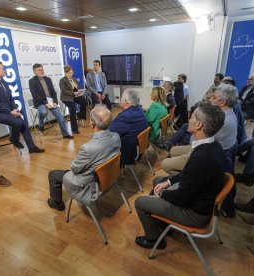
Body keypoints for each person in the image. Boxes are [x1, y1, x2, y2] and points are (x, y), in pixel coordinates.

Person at [134, 102, 226, 249]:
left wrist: (161, 194)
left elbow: (181, 198)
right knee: (160, 179)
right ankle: (162, 221)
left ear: (199, 125)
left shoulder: (202, 158)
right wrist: (168, 184)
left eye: (192, 117)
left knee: (140, 202)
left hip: (195, 214)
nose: (189, 120)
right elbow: (187, 174)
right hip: (199, 202)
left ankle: (154, 240)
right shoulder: (212, 145)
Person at [47, 106, 120, 211]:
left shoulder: (88, 148)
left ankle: (57, 203)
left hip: (90, 185)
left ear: (92, 124)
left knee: (53, 174)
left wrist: (75, 161)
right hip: (109, 178)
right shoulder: (116, 136)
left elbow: (75, 169)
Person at [0, 61, 44, 154]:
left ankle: (31, 147)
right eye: (3, 68)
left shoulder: (3, 81)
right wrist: (10, 112)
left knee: (23, 123)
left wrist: (14, 108)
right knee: (18, 122)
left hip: (7, 110)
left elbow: (11, 98)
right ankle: (14, 139)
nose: (5, 70)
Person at [28, 63, 73, 139]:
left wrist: (55, 102)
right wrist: (46, 104)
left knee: (60, 116)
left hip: (51, 101)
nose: (42, 71)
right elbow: (35, 95)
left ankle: (65, 134)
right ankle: (41, 124)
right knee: (43, 112)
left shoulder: (48, 79)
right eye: (39, 70)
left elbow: (53, 92)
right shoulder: (32, 81)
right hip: (40, 102)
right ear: (35, 72)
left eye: (42, 69)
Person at [109, 89, 148, 165]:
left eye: (121, 97)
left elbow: (109, 131)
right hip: (138, 146)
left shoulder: (126, 116)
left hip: (128, 151)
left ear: (126, 101)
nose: (120, 99)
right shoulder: (139, 109)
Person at [59, 65, 87, 134]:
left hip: (75, 96)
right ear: (65, 73)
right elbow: (63, 90)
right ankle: (74, 129)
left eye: (71, 72)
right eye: (69, 73)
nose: (71, 74)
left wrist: (80, 91)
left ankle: (80, 116)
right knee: (72, 110)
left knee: (84, 102)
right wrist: (73, 93)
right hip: (66, 98)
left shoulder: (74, 79)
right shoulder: (62, 80)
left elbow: (76, 88)